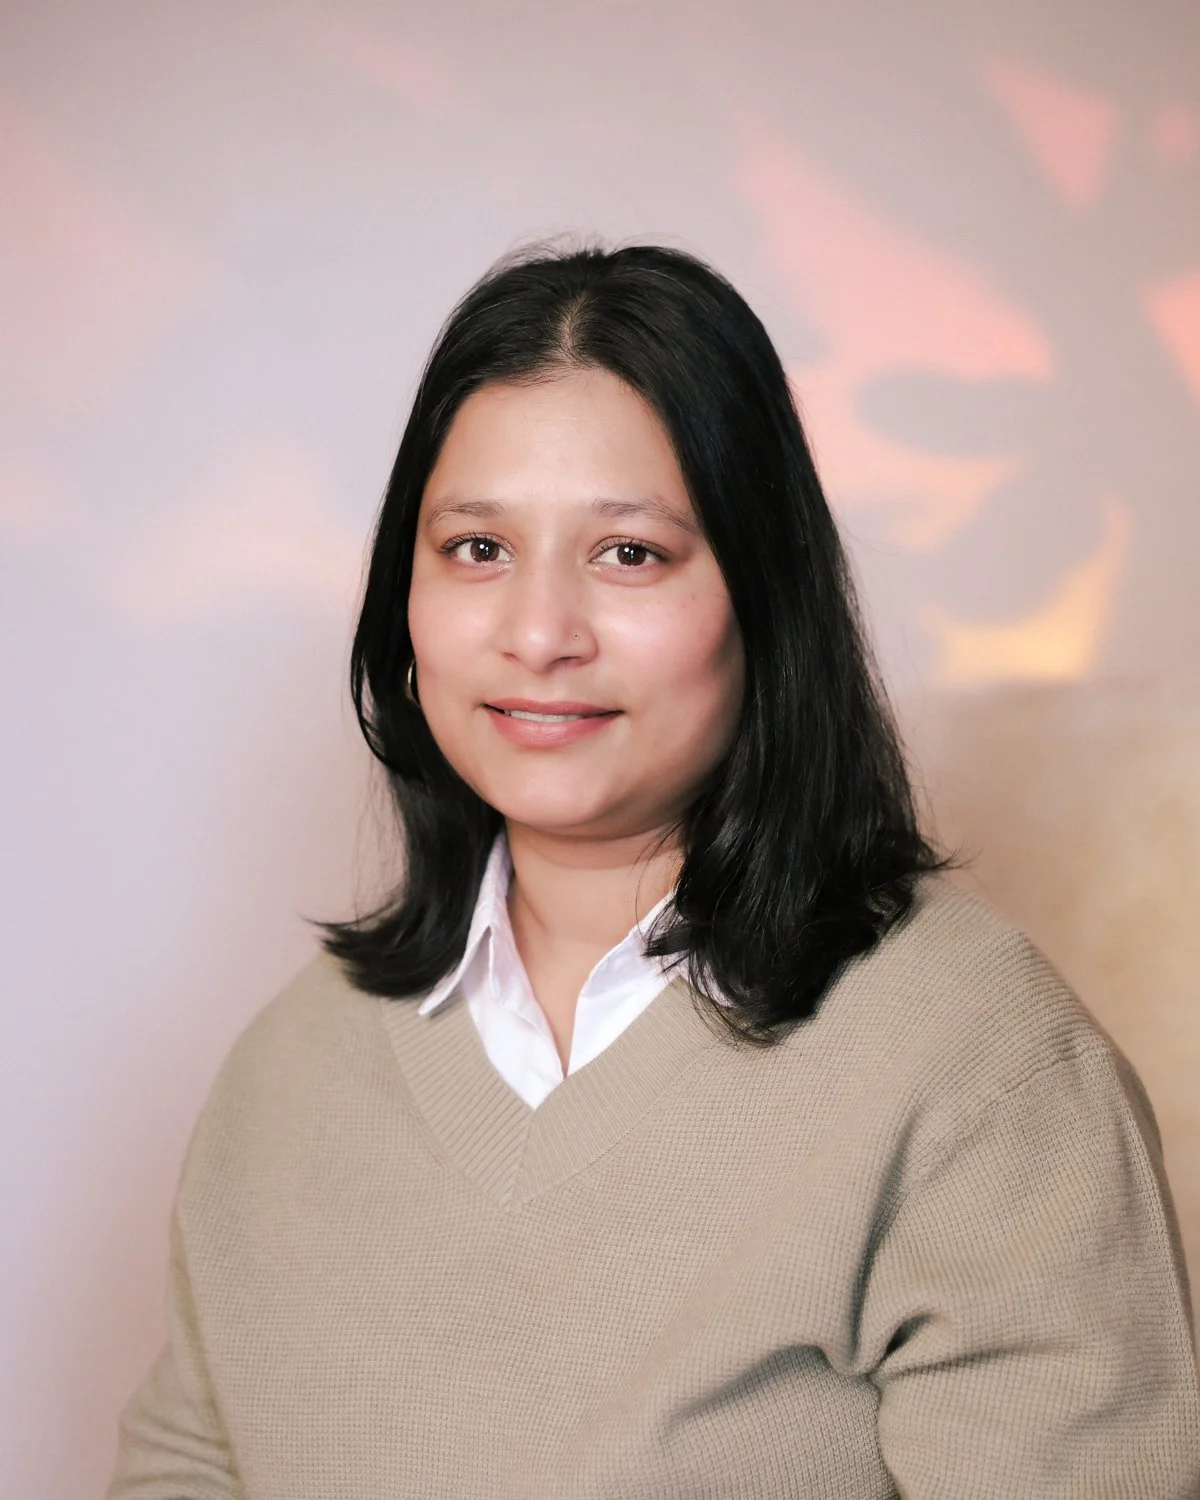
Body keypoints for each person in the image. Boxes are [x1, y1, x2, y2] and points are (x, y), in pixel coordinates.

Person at [108, 242, 1200, 1498]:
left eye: (629, 553)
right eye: (476, 549)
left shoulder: (977, 1066)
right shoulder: (286, 1072)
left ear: (764, 599)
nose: (537, 633)